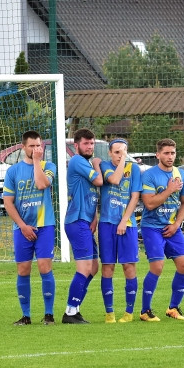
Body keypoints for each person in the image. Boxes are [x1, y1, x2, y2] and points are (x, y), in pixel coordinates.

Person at [2, 130, 57, 326]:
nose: (36, 149)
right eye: (32, 146)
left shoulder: (48, 166)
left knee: (44, 267)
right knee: (23, 270)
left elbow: (42, 184)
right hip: (22, 228)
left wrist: (36, 162)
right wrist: (22, 226)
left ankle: (49, 314)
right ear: (23, 147)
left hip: (45, 225)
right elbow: (8, 202)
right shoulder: (13, 171)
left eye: (38, 146)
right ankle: (26, 315)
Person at [139, 138, 184, 322]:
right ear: (158, 155)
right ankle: (145, 311)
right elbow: (149, 203)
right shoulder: (149, 175)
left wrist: (177, 224)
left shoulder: (181, 174)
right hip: (152, 227)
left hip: (172, 227)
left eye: (173, 153)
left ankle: (173, 308)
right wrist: (169, 190)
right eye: (166, 153)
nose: (170, 157)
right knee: (157, 266)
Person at [61, 128, 106, 324]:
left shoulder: (84, 163)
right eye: (86, 143)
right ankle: (70, 312)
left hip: (86, 221)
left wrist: (94, 217)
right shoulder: (78, 161)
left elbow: (91, 195)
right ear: (76, 145)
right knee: (85, 267)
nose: (90, 146)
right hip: (76, 221)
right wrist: (97, 164)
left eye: (92, 143)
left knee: (94, 267)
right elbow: (99, 180)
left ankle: (75, 307)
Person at [98, 139, 141, 323]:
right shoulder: (105, 166)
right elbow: (115, 180)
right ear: (110, 153)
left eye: (123, 152)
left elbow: (135, 196)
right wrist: (123, 160)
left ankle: (129, 313)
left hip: (127, 225)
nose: (119, 155)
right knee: (107, 267)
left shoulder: (135, 169)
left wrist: (124, 220)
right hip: (107, 224)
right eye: (116, 152)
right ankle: (109, 313)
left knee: (129, 266)